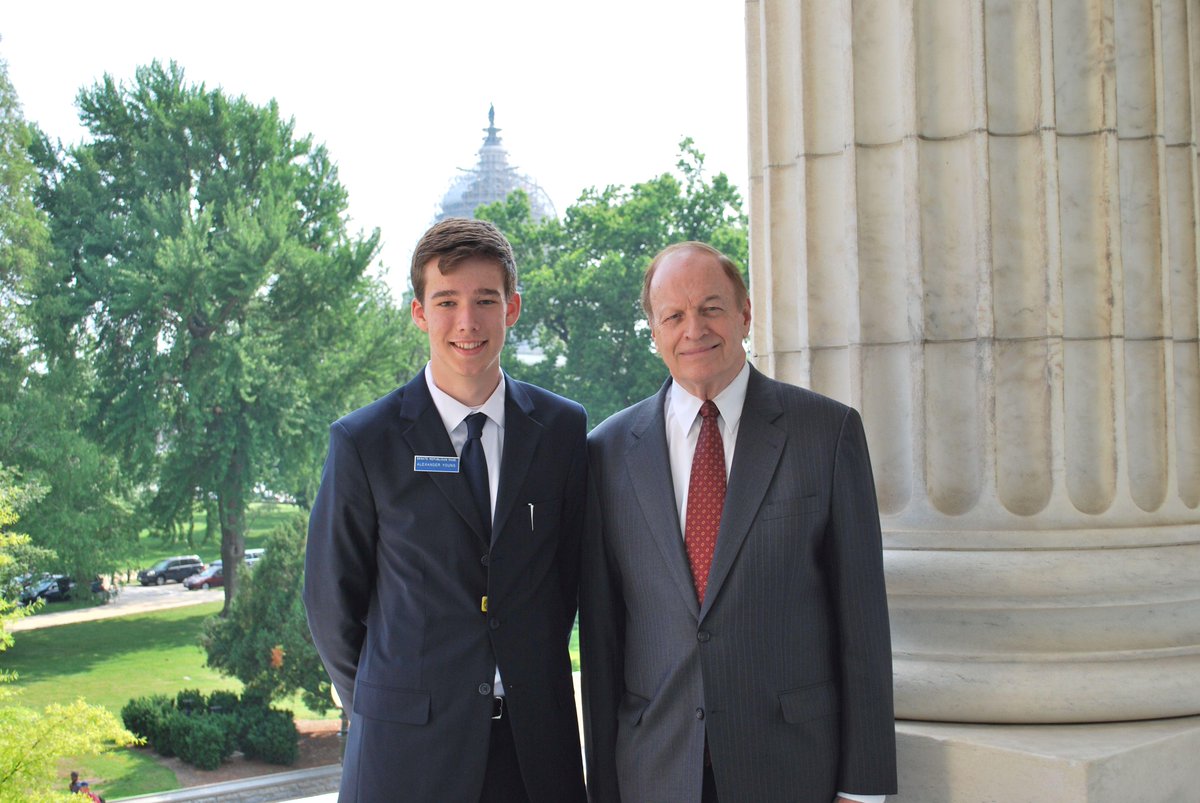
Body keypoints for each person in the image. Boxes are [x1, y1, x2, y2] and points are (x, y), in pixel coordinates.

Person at [580, 242, 897, 803]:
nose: (693, 329)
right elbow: (604, 637)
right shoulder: (606, 453)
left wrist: (864, 786)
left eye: (711, 308)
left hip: (792, 766)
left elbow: (862, 623)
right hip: (655, 769)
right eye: (673, 316)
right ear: (653, 330)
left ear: (745, 313)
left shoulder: (827, 434)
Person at [304, 218, 588, 802]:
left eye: (485, 300)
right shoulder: (365, 442)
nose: (468, 321)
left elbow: (569, 582)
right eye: (447, 301)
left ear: (512, 308)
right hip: (406, 756)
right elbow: (332, 602)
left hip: (536, 751)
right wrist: (391, 705)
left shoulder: (562, 430)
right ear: (418, 312)